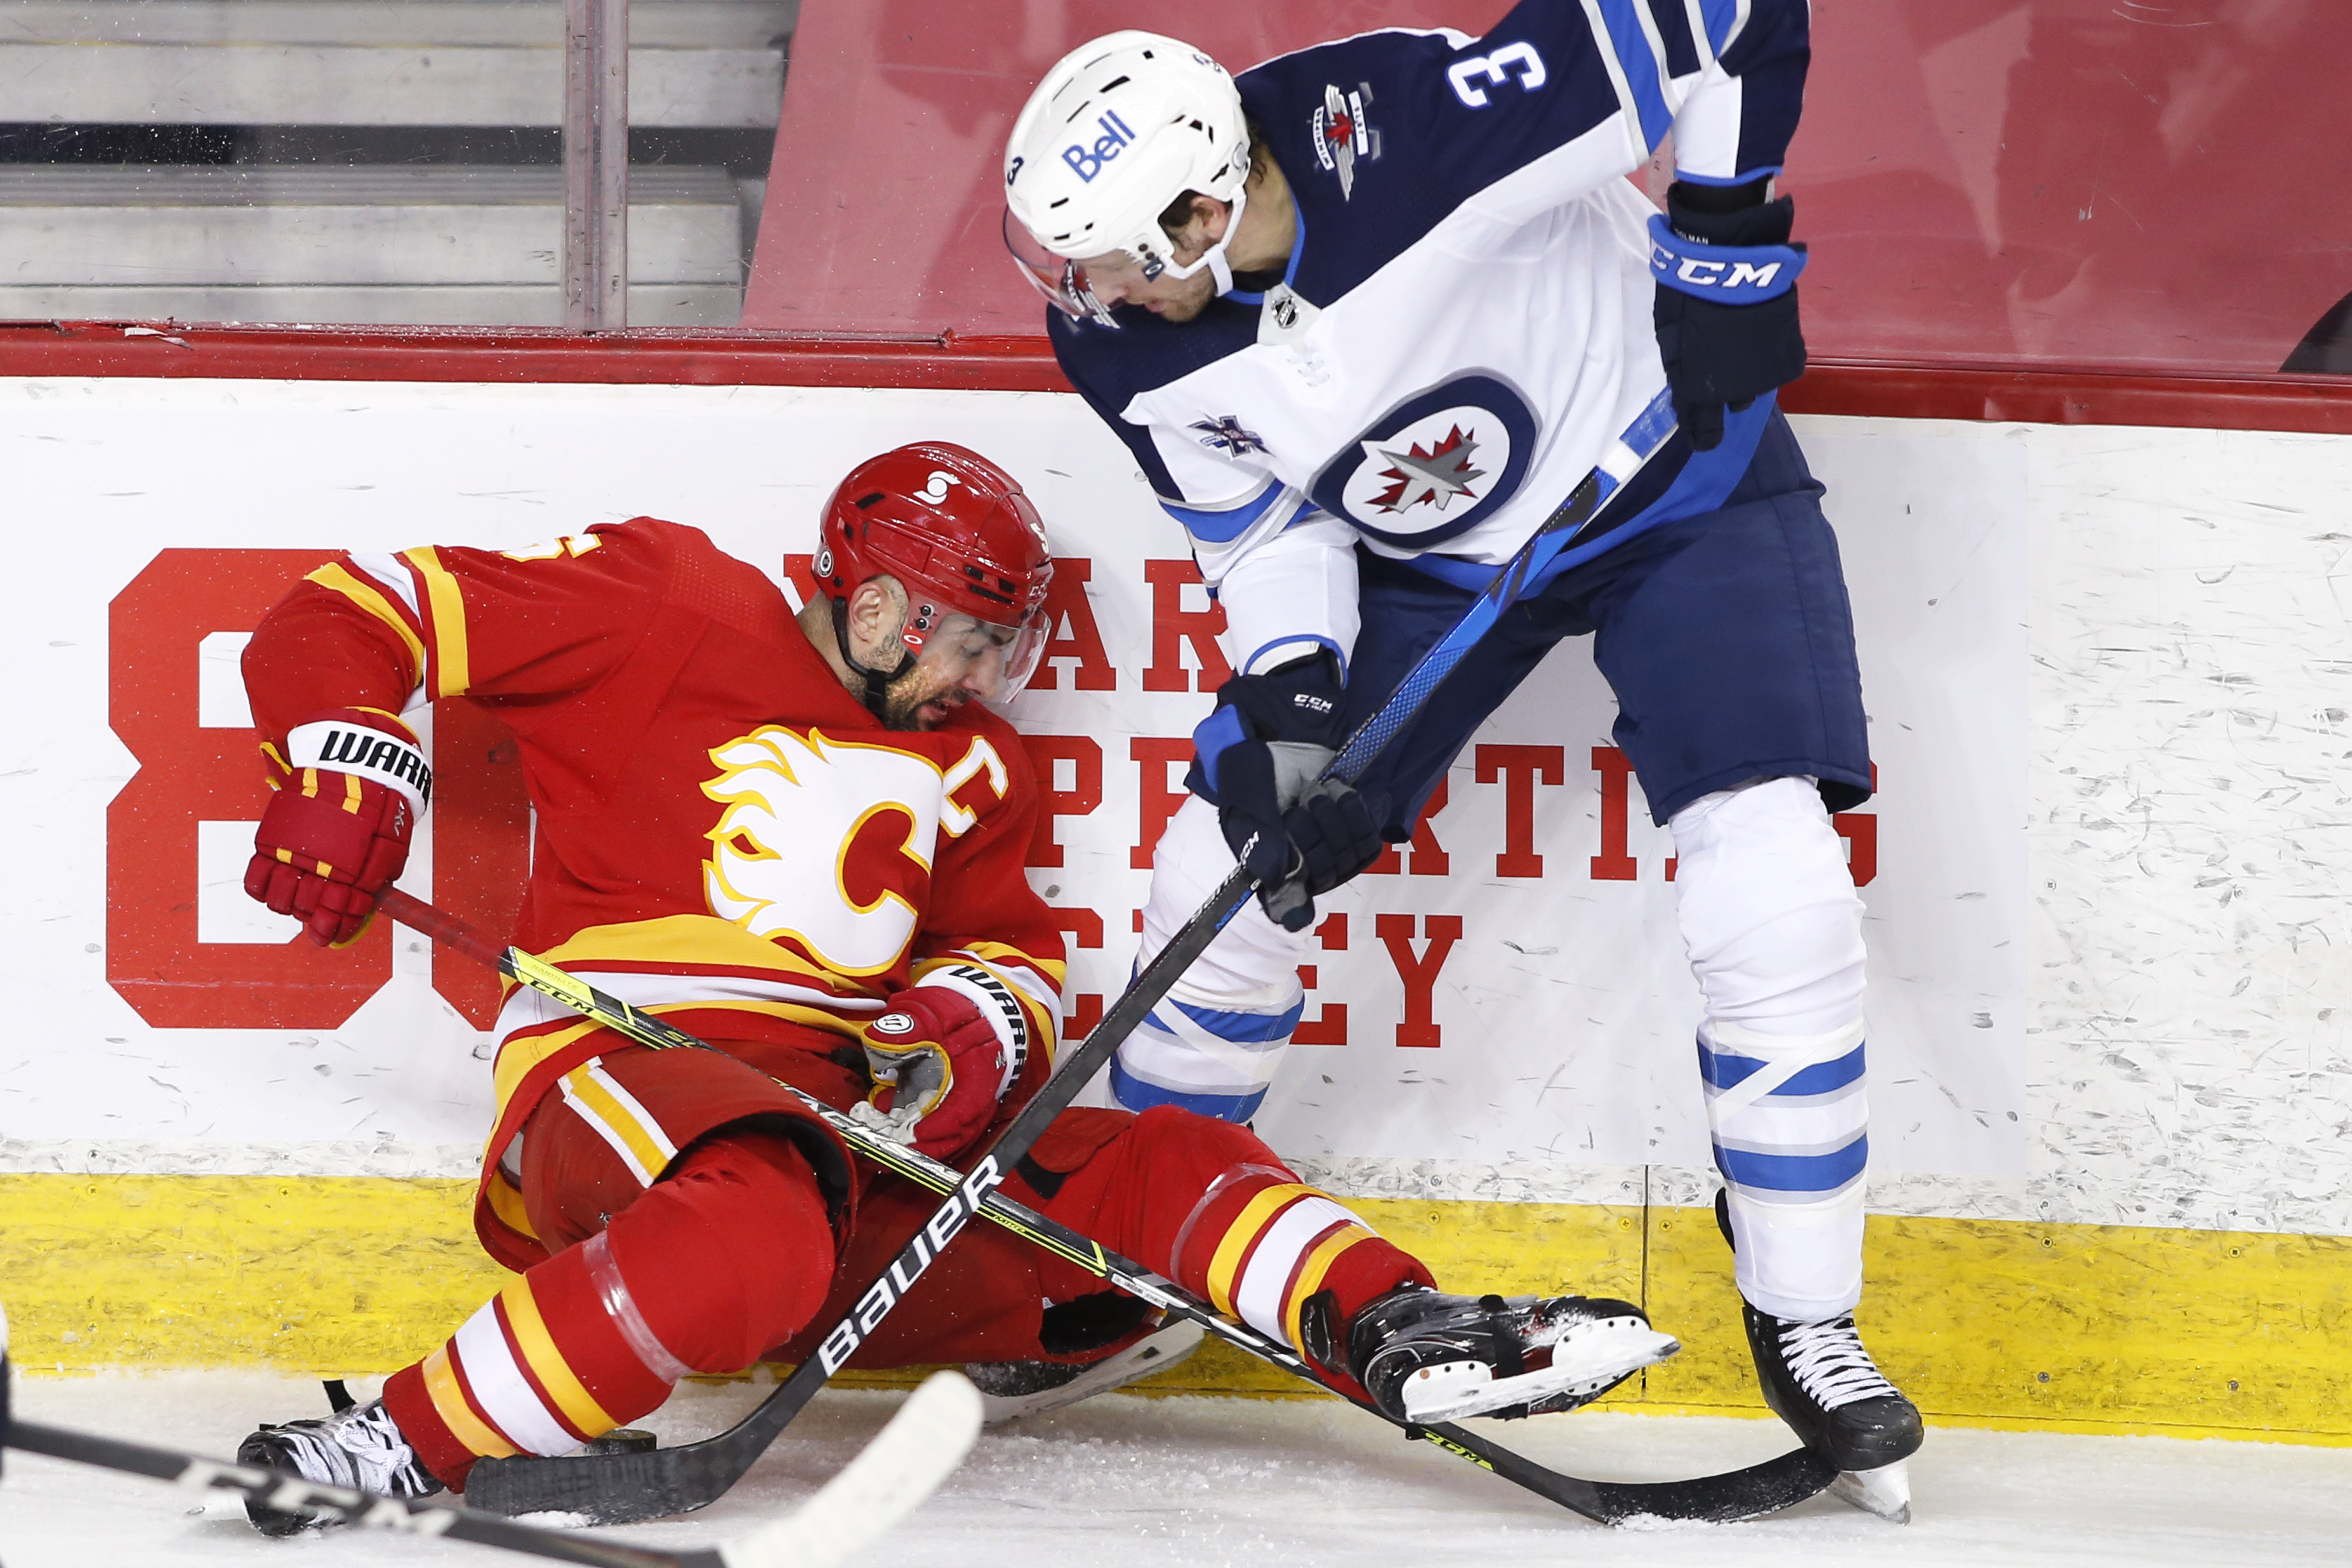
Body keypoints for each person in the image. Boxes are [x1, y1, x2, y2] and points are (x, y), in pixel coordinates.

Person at [227, 441, 1673, 1533]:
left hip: (841, 1150)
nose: (984, 678)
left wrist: (952, 1040)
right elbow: (361, 607)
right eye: (971, 642)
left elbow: (1017, 966)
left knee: (1166, 1160)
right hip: (622, 1092)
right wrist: (352, 755)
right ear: (878, 607)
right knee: (759, 1212)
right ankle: (404, 1436)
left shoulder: (976, 768)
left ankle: (1396, 1328)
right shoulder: (661, 602)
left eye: (1003, 648)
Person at [1002, 8, 1921, 1502]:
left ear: (1200, 209)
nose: (1085, 294)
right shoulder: (1114, 332)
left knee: (1780, 887)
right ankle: (1159, 1243)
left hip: (1677, 471)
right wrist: (1297, 690)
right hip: (1426, 563)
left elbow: (1729, 16)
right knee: (1221, 874)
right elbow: (1255, 521)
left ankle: (1808, 1318)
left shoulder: (1419, 123)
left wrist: (1724, 248)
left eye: (1108, 255)